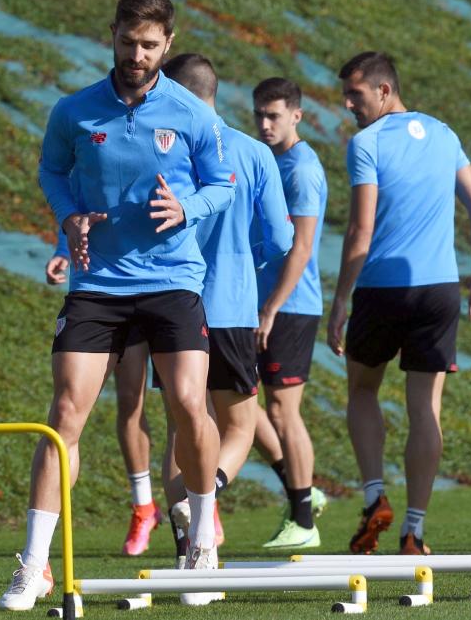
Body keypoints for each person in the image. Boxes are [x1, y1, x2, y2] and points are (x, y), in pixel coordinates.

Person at [0, 0, 235, 611]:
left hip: (172, 279)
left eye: (150, 45)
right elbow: (52, 171)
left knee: (188, 402)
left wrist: (188, 206)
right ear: (113, 34)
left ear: (169, 44)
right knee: (65, 414)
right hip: (98, 284)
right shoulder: (74, 111)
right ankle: (34, 564)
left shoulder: (191, 113)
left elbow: (222, 185)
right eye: (128, 42)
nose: (137, 54)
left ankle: (201, 542)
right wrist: (69, 215)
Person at [327, 51, 471, 555]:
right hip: (440, 289)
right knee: (426, 407)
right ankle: (414, 532)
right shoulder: (443, 134)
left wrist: (339, 300)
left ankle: (375, 495)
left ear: (383, 91)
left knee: (362, 390)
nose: (348, 105)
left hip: (382, 288)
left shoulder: (367, 144)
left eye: (355, 94)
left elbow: (360, 230)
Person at [156, 54, 295, 571]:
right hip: (232, 304)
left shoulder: (164, 151)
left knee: (180, 427)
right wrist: (247, 257)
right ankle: (205, 495)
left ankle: (183, 531)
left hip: (172, 303)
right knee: (239, 426)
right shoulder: (254, 152)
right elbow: (282, 237)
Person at [46, 236, 161, 557]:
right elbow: (77, 199)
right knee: (67, 413)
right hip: (96, 291)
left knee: (132, 403)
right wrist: (61, 250)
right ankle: (40, 547)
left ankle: (146, 507)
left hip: (148, 288)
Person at [252, 77, 329, 549]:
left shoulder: (301, 168)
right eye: (259, 114)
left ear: (296, 116)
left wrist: (273, 307)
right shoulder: (268, 160)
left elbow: (301, 247)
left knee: (283, 409)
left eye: (274, 115)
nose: (264, 123)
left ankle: (303, 519)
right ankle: (303, 490)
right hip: (257, 304)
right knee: (238, 398)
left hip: (290, 306)